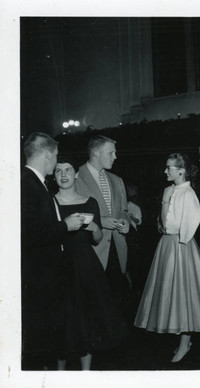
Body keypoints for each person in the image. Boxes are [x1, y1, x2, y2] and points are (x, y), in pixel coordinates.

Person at [135, 153, 200, 363]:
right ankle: (180, 340)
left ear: (181, 171)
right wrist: (162, 226)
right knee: (168, 292)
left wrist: (180, 235)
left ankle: (184, 343)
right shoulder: (168, 190)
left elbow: (193, 218)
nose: (165, 171)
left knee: (184, 295)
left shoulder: (188, 193)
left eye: (169, 168)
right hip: (166, 245)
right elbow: (165, 218)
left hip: (182, 246)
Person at [53, 158, 128, 370]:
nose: (64, 174)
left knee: (87, 319)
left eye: (68, 170)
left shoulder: (89, 202)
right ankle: (59, 375)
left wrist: (95, 227)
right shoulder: (51, 203)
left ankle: (86, 374)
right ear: (54, 175)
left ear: (76, 174)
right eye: (58, 171)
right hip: (60, 268)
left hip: (86, 267)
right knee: (64, 321)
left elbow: (96, 239)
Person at [21, 132, 84, 363]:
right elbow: (28, 234)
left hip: (46, 275)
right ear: (47, 154)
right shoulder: (27, 184)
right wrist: (65, 226)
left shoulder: (35, 182)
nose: (57, 161)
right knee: (40, 341)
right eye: (56, 156)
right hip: (39, 277)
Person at [75, 136, 131, 309]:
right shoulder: (76, 177)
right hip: (91, 249)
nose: (115, 157)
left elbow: (124, 210)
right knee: (92, 305)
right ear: (96, 153)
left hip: (116, 248)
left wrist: (125, 221)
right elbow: (69, 214)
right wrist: (101, 221)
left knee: (116, 303)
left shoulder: (117, 180)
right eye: (111, 153)